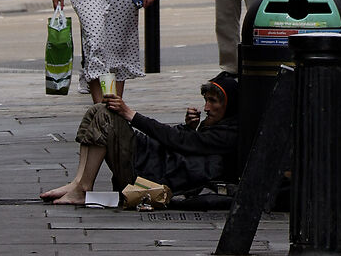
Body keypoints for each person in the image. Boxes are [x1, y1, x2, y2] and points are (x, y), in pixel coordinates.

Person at [42, 71, 239, 206]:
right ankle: (79, 182)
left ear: (230, 106)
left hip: (149, 176)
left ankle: (83, 188)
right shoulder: (216, 127)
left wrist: (131, 115)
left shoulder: (229, 134)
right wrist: (189, 128)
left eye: (213, 102)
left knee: (105, 116)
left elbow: (177, 142)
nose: (206, 108)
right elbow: (185, 145)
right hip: (150, 163)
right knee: (98, 110)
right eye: (206, 101)